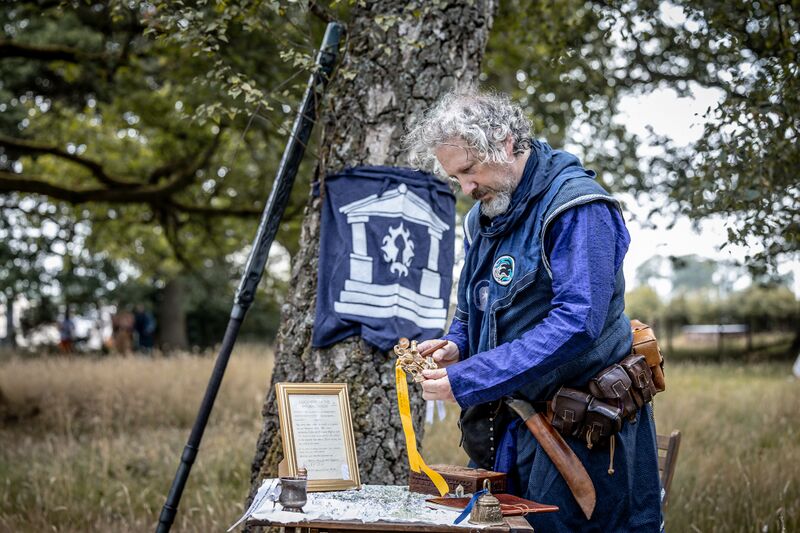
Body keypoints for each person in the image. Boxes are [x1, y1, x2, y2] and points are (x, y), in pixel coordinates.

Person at [405, 90, 662, 532]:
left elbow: (576, 323)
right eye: (455, 177)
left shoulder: (578, 208)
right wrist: (457, 343)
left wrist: (470, 377)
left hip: (582, 436)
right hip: (508, 430)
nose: (466, 189)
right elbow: (474, 303)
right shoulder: (484, 216)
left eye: (469, 170)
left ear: (505, 144)